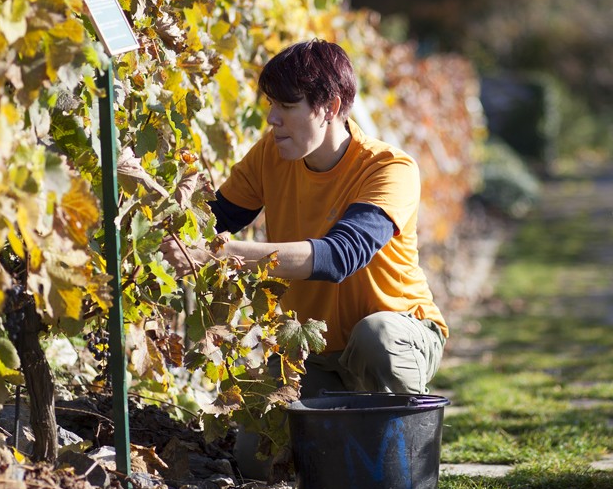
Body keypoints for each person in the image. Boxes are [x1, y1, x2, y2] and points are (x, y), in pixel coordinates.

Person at [163, 39, 448, 398]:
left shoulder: (389, 169)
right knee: (259, 452)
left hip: (399, 331)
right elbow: (215, 219)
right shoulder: (271, 154)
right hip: (313, 349)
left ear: (330, 107)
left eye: (287, 105)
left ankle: (402, 439)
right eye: (271, 104)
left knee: (376, 338)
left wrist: (217, 253)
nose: (272, 118)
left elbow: (340, 256)